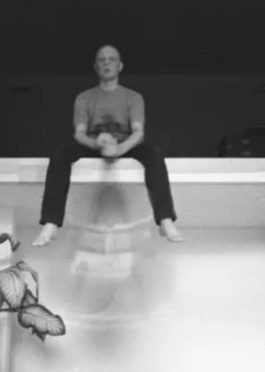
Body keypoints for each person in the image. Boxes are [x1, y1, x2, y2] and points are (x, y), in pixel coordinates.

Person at [33, 45, 183, 246]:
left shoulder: (133, 97)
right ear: (96, 67)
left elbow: (138, 132)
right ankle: (51, 222)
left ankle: (165, 220)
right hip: (94, 145)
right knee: (60, 152)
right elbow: (79, 133)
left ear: (120, 66)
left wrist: (119, 149)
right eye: (102, 59)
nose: (106, 63)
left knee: (154, 152)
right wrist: (97, 144)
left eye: (111, 59)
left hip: (125, 146)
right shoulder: (84, 97)